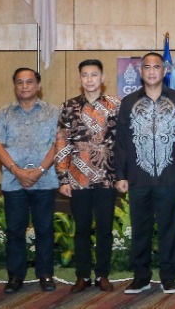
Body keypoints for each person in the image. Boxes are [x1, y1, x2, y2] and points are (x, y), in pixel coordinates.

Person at [114, 52, 175, 294]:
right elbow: (122, 143)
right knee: (140, 229)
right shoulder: (128, 102)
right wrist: (121, 175)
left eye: (157, 67)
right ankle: (141, 276)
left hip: (170, 177)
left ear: (165, 71)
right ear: (141, 71)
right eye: (147, 67)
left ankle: (168, 276)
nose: (152, 71)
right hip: (138, 178)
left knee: (169, 228)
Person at [0, 67, 60, 293]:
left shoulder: (52, 112)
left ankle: (46, 274)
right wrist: (16, 170)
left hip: (45, 179)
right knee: (15, 231)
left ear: (38, 85)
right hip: (13, 181)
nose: (24, 86)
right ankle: (15, 276)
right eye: (19, 82)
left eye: (29, 82)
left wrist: (39, 170)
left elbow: (57, 144)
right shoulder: (5, 112)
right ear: (15, 86)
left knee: (45, 229)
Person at [55, 59, 120, 293]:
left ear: (102, 78)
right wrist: (62, 177)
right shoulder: (69, 106)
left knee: (104, 228)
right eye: (85, 75)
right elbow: (62, 141)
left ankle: (102, 274)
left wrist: (122, 176)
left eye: (94, 75)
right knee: (81, 229)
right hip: (77, 179)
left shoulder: (115, 105)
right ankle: (82, 276)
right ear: (80, 79)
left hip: (106, 177)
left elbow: (122, 143)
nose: (90, 79)